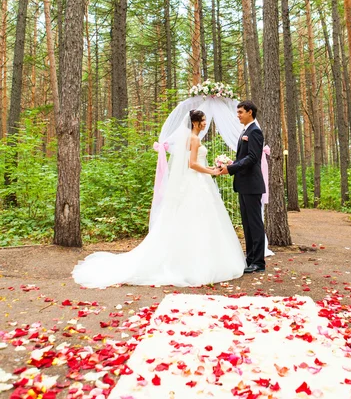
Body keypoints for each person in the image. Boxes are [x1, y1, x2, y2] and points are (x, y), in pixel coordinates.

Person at [72, 110, 246, 288]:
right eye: (203, 121)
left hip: (198, 181)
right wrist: (211, 171)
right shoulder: (193, 139)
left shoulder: (192, 138)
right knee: (196, 218)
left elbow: (196, 163)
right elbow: (192, 164)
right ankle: (195, 264)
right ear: (195, 123)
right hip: (196, 183)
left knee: (198, 220)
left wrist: (212, 167)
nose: (204, 124)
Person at [219, 100, 266, 273]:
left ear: (250, 112)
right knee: (247, 223)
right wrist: (233, 162)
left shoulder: (255, 132)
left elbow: (253, 158)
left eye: (240, 112)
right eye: (237, 112)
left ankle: (259, 263)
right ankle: (250, 258)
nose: (238, 115)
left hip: (252, 185)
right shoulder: (245, 131)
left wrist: (230, 168)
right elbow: (244, 157)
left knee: (254, 223)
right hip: (243, 184)